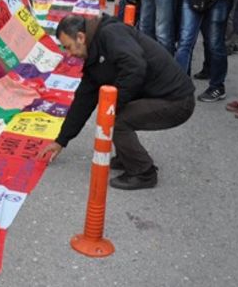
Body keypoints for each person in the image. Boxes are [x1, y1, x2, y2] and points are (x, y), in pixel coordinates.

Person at [36, 15, 195, 190]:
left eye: (68, 47)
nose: (69, 54)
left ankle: (144, 172)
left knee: (116, 120)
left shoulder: (110, 34)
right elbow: (83, 100)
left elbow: (135, 67)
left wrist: (113, 106)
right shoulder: (93, 55)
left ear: (81, 37)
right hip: (159, 95)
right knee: (112, 112)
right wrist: (61, 140)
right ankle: (126, 155)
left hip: (177, 100)